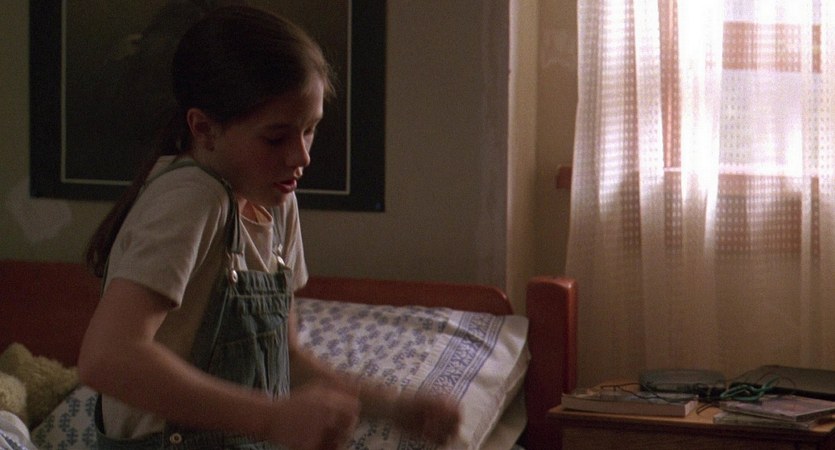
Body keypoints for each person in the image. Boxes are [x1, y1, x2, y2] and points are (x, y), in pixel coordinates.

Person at [78, 6, 460, 450]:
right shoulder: (191, 200)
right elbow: (107, 358)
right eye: (276, 137)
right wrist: (272, 418)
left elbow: (286, 360)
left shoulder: (277, 203)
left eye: (310, 130)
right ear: (204, 128)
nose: (302, 156)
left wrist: (397, 407)